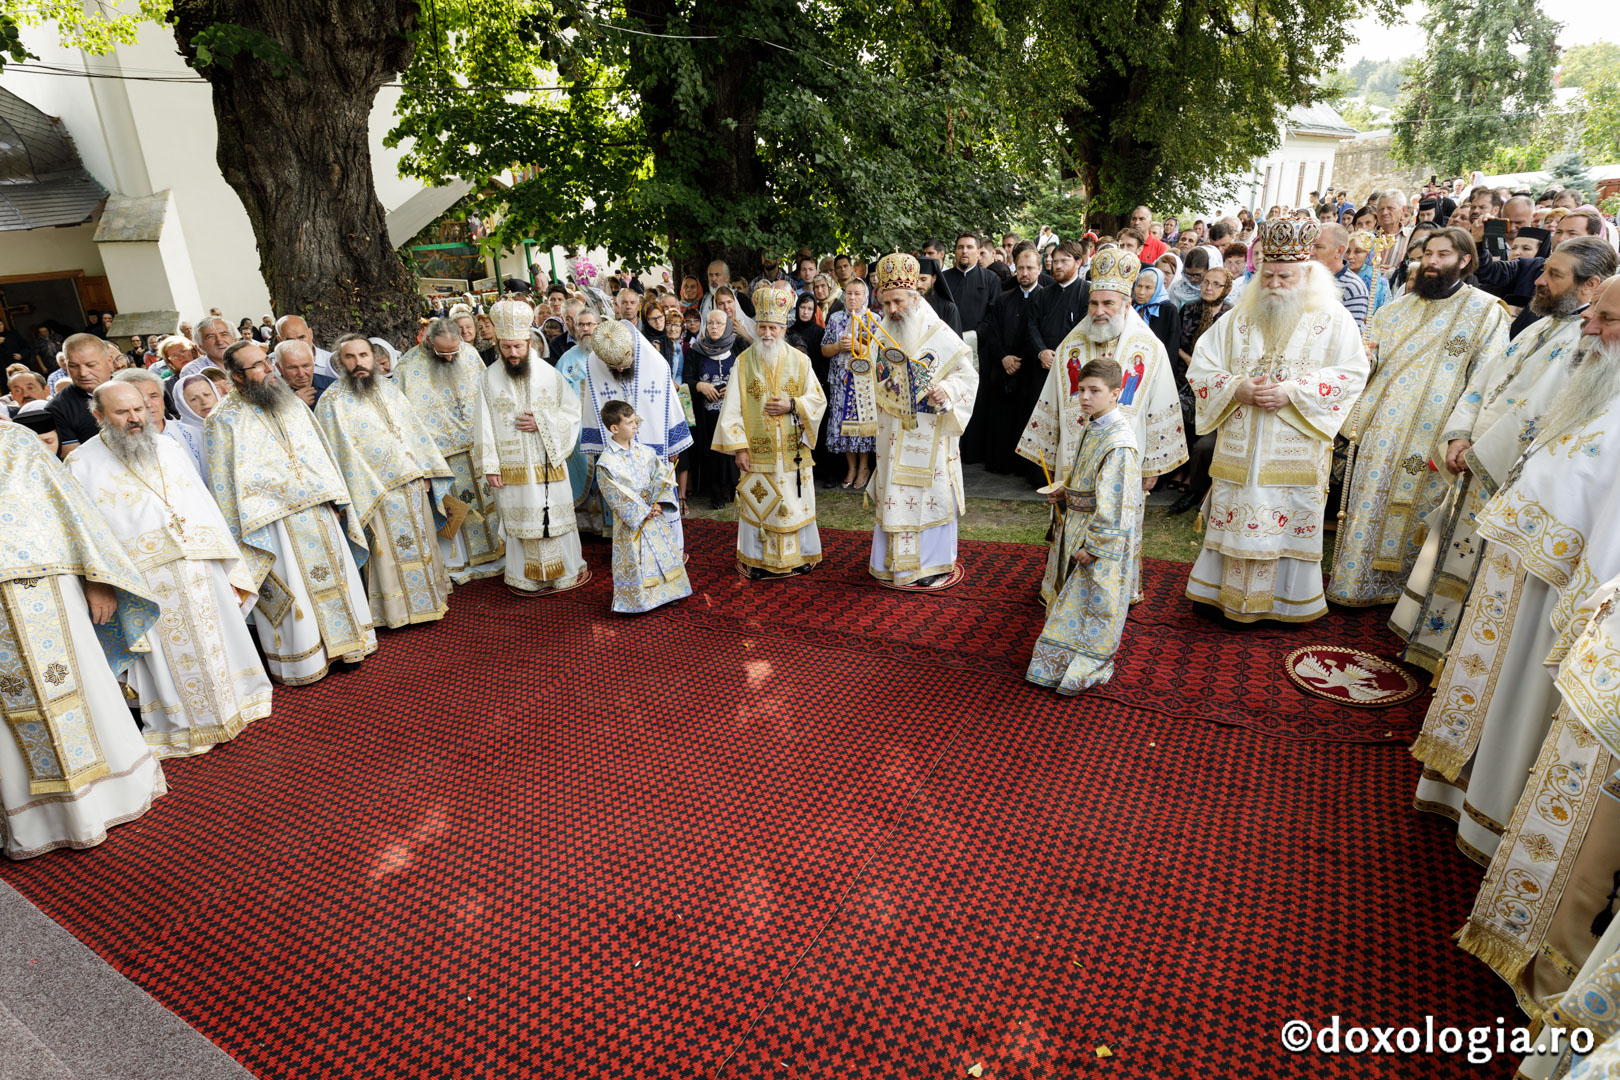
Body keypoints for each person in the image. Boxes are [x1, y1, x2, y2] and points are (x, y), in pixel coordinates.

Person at [1409, 274, 1620, 867]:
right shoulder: (1599, 384)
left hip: (1560, 608)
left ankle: (1496, 821)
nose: (1590, 326)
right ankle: (1468, 791)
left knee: (1523, 714)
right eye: (1595, 313)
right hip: (1516, 585)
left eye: (1607, 319)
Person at [1393, 238, 1617, 672]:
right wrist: (1458, 436)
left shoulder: (1588, 345)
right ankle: (1430, 650)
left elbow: (1536, 414)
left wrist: (1481, 455)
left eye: (1554, 273)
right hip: (1475, 461)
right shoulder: (1539, 324)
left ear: (1591, 284)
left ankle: (1457, 664)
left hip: (1501, 476)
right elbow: (1484, 383)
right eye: (1545, 269)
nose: (1539, 280)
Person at [65, 381, 272, 759]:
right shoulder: (80, 464)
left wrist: (226, 564)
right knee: (168, 655)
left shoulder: (168, 447)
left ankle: (237, 705)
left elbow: (201, 502)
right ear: (98, 416)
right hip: (143, 582)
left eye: (139, 409)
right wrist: (99, 583)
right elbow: (82, 533)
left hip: (198, 564)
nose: (135, 418)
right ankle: (183, 724)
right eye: (122, 412)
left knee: (217, 636)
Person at [1183, 217, 1369, 622]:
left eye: (1285, 276)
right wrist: (1236, 388)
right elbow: (1201, 367)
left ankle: (1286, 603)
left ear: (1307, 275)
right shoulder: (1237, 318)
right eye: (1268, 275)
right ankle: (1219, 596)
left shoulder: (1333, 319)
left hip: (1294, 453)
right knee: (1234, 513)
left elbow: (1353, 372)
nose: (1275, 284)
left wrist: (1293, 392)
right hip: (1240, 448)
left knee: (1284, 522)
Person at [0, 422, 168, 859]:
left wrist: (99, 580)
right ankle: (37, 821)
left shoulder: (16, 440)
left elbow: (70, 511)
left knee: (82, 684)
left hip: (48, 588)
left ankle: (111, 795)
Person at [1329, 226, 1511, 607]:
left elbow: (1488, 379)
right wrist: (1364, 357)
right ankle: (1352, 586)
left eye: (1443, 255)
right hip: (1382, 429)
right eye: (1428, 253)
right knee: (1368, 505)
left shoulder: (1485, 312)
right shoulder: (1393, 311)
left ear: (1464, 261)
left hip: (1437, 433)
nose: (1432, 261)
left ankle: (1405, 596)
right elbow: (1372, 362)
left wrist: (1465, 433)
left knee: (1419, 514)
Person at [1018, 249, 1186, 604]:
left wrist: (1153, 465)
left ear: (1126, 304)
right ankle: (1062, 585)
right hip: (1073, 457)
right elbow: (1051, 397)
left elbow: (1161, 405)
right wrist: (1047, 453)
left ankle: (1114, 590)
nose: (1099, 311)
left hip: (1125, 458)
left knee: (1117, 519)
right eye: (1093, 303)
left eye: (1108, 303)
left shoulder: (1148, 348)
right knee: (1069, 520)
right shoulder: (1071, 345)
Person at [206, 340, 376, 685]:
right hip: (272, 525)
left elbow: (320, 453)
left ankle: (348, 646)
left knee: (336, 578)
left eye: (266, 362)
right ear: (237, 377)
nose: (269, 369)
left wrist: (338, 499)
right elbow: (223, 483)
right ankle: (307, 661)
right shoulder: (222, 421)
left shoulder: (291, 404)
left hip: (319, 510)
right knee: (295, 589)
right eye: (257, 366)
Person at [841, 253, 979, 589]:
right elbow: (873, 382)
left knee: (929, 497)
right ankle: (895, 567)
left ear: (914, 297)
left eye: (898, 301)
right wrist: (860, 375)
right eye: (886, 302)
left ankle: (931, 565)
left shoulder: (938, 333)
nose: (892, 310)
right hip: (893, 435)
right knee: (896, 495)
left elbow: (967, 376)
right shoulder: (881, 334)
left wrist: (946, 390)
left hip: (931, 435)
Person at [315, 335, 457, 625]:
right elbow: (341, 455)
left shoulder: (390, 390)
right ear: (340, 362)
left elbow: (414, 432)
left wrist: (425, 471)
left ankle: (429, 600)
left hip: (413, 485)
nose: (358, 363)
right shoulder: (332, 402)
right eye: (350, 357)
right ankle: (395, 612)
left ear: (374, 357)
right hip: (374, 493)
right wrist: (372, 488)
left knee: (421, 544)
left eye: (363, 355)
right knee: (389, 554)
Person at [1025, 358, 1143, 694]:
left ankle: (1087, 667)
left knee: (1094, 604)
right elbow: (1090, 477)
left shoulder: (1119, 441)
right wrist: (1066, 490)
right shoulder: (1094, 425)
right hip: (1077, 525)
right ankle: (1060, 663)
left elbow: (1118, 503)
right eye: (1081, 389)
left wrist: (1096, 547)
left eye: (1095, 390)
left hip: (1096, 537)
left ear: (1116, 393)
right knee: (1070, 601)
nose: (1085, 397)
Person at [712, 286, 828, 579]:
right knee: (760, 504)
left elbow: (817, 400)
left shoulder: (801, 362)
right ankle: (759, 561)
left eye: (773, 328)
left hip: (793, 453)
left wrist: (792, 404)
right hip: (756, 453)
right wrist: (739, 448)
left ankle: (799, 557)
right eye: (762, 327)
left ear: (783, 327)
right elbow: (732, 409)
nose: (767, 333)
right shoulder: (743, 362)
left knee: (794, 503)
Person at [474, 299, 587, 597]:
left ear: (529, 342)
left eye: (518, 347)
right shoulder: (486, 379)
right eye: (507, 347)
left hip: (549, 464)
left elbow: (573, 412)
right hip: (511, 469)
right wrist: (490, 465)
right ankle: (525, 577)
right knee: (520, 520)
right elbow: (482, 424)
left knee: (556, 519)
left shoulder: (550, 374)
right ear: (499, 343)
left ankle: (564, 572)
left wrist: (544, 422)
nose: (513, 353)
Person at [393, 318, 506, 584]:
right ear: (428, 341)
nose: (449, 358)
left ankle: (499, 554)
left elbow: (487, 394)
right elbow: (402, 422)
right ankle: (459, 563)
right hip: (441, 458)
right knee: (459, 508)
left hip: (478, 448)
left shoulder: (469, 353)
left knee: (489, 503)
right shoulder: (407, 368)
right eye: (442, 353)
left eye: (454, 352)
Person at [594, 399, 691, 613]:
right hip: (633, 521)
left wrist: (659, 503)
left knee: (660, 554)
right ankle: (639, 600)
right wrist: (643, 511)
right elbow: (615, 493)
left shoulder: (645, 452)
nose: (635, 425)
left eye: (635, 420)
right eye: (629, 422)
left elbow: (660, 476)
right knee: (635, 558)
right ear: (614, 428)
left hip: (654, 513)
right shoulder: (607, 462)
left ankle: (669, 593)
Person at [821, 278, 877, 491]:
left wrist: (857, 346)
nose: (852, 298)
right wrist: (837, 346)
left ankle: (864, 467)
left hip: (863, 384)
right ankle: (851, 467)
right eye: (849, 293)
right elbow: (824, 350)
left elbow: (879, 354)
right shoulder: (835, 318)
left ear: (865, 296)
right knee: (843, 425)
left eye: (857, 294)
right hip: (840, 381)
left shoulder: (874, 319)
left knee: (862, 426)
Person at [112, 367, 205, 479]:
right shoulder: (120, 445)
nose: (148, 404)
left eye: (154, 396)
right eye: (139, 398)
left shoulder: (193, 434)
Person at [44, 333, 112, 453]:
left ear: (109, 361)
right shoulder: (58, 408)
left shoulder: (135, 386)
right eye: (73, 366)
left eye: (90, 365)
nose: (83, 373)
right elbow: (74, 458)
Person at [1312, 223, 1370, 332]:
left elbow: (1349, 336)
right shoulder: (1306, 276)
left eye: (1319, 247)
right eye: (1310, 246)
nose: (1311, 252)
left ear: (1339, 251)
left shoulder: (1353, 288)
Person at [1131, 265, 1182, 360]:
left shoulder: (1168, 310)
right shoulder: (1132, 307)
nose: (1141, 292)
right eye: (1139, 286)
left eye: (1148, 288)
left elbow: (1172, 346)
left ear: (1158, 288)